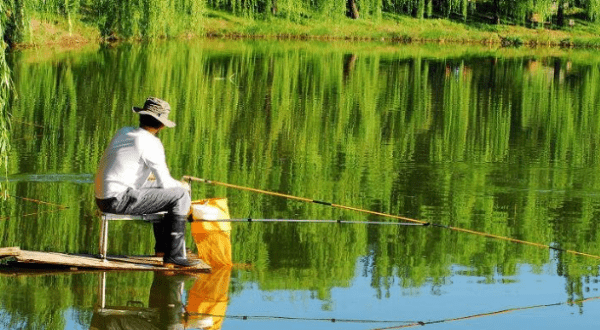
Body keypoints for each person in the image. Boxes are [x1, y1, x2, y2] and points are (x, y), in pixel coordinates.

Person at [94, 97, 199, 267]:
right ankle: (174, 255)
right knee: (180, 195)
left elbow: (130, 166)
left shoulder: (124, 132)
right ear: (162, 125)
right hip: (117, 199)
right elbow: (166, 183)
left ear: (141, 117)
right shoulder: (151, 143)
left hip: (103, 197)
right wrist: (183, 186)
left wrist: (150, 178)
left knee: (166, 193)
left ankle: (163, 249)